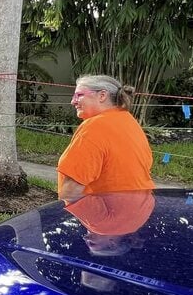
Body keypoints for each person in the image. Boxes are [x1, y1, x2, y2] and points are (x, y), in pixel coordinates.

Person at [57, 75, 154, 205]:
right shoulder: (128, 120)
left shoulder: (94, 127)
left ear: (102, 95)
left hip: (109, 216)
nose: (73, 101)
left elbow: (72, 189)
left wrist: (62, 217)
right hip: (140, 210)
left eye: (79, 95)